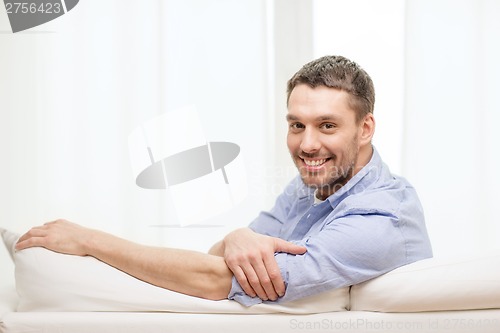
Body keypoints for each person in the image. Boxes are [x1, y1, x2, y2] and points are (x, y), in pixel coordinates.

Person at [15, 55, 433, 306]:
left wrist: (91, 242)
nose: (306, 145)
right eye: (295, 125)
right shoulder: (314, 185)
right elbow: (219, 257)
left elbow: (217, 280)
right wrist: (235, 238)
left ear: (365, 128)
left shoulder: (382, 216)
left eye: (327, 126)